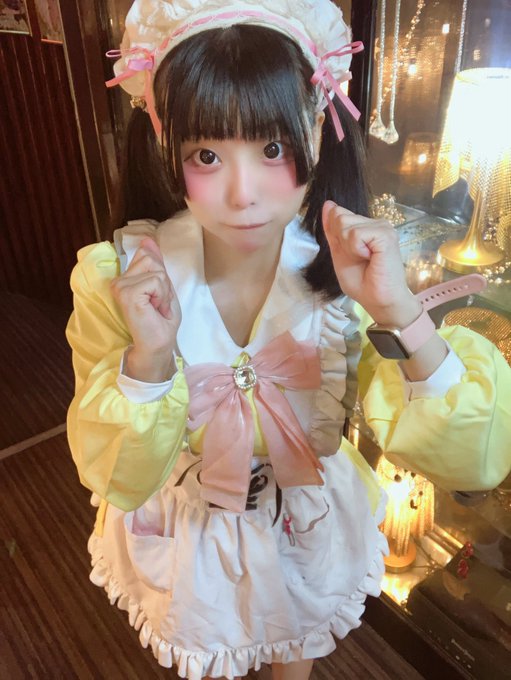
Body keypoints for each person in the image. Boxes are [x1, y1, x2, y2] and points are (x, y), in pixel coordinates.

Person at [66, 2, 511, 679]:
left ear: (316, 126)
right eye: (207, 155)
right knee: (202, 650)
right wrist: (149, 356)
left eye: (272, 149)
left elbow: (471, 458)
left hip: (306, 523)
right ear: (164, 142)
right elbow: (113, 470)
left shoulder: (348, 274)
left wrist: (399, 311)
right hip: (190, 537)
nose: (242, 194)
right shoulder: (118, 279)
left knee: (297, 646)